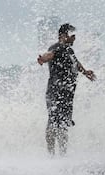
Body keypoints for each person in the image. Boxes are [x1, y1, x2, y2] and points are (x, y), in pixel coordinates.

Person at [37, 23, 96, 156]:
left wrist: (85, 71)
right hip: (55, 91)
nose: (74, 38)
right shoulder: (56, 47)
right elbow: (49, 55)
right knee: (53, 121)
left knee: (63, 123)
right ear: (64, 35)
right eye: (72, 36)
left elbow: (76, 62)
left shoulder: (69, 50)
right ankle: (51, 155)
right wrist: (43, 59)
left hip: (67, 94)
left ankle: (63, 155)